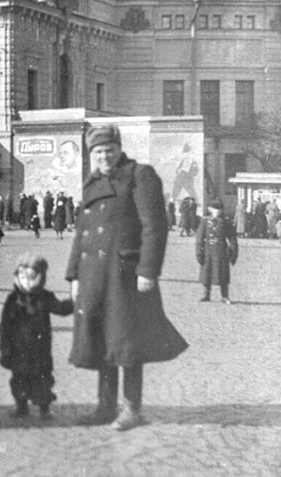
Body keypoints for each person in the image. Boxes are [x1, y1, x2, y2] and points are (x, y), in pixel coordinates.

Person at [66, 124, 188, 432]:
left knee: (128, 341)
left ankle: (132, 409)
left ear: (119, 149)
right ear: (91, 155)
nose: (104, 156)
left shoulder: (139, 175)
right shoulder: (92, 182)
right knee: (103, 339)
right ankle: (105, 406)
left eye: (109, 149)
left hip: (125, 275)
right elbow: (81, 232)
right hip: (94, 275)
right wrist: (73, 275)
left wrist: (148, 270)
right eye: (97, 151)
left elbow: (154, 227)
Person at [0, 253, 73, 419]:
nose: (26, 282)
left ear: (40, 277)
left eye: (31, 277)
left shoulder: (45, 296)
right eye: (22, 277)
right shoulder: (13, 299)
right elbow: (5, 327)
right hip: (18, 350)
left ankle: (44, 408)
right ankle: (21, 405)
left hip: (40, 350)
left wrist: (74, 302)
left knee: (43, 379)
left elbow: (60, 308)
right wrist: (5, 349)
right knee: (19, 379)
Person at [195, 199, 238, 304]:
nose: (218, 211)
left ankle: (225, 296)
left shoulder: (226, 222)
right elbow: (199, 239)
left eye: (220, 209)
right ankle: (206, 295)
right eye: (215, 209)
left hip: (222, 251)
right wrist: (199, 253)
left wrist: (233, 253)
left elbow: (232, 238)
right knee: (206, 273)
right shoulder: (205, 221)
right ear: (210, 209)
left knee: (223, 274)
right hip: (208, 251)